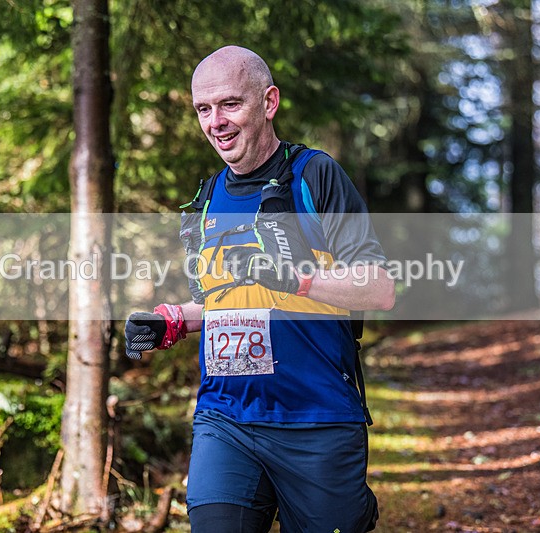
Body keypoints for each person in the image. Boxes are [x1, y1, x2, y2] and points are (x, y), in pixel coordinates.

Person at [124, 45, 394, 532]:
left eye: (230, 104)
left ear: (268, 102)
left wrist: (296, 278)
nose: (216, 122)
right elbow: (227, 304)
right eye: (203, 109)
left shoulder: (313, 177)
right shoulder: (206, 200)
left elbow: (379, 289)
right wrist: (174, 320)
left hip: (316, 421)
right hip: (226, 418)